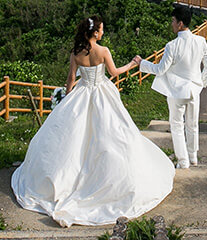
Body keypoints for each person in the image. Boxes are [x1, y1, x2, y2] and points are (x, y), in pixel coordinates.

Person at [12, 16, 174, 227]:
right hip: (102, 94)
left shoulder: (76, 53)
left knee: (71, 138)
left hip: (81, 94)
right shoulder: (103, 51)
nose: (103, 32)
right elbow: (114, 73)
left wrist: (66, 100)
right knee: (112, 135)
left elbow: (71, 79)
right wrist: (133, 64)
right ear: (95, 33)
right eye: (101, 30)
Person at [134, 4, 207, 169]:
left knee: (177, 125)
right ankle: (193, 157)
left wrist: (142, 63)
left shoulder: (172, 46)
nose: (171, 24)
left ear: (180, 23)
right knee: (192, 124)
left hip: (177, 91)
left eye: (173, 20)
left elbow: (160, 69)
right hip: (194, 89)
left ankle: (183, 161)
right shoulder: (200, 41)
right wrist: (201, 83)